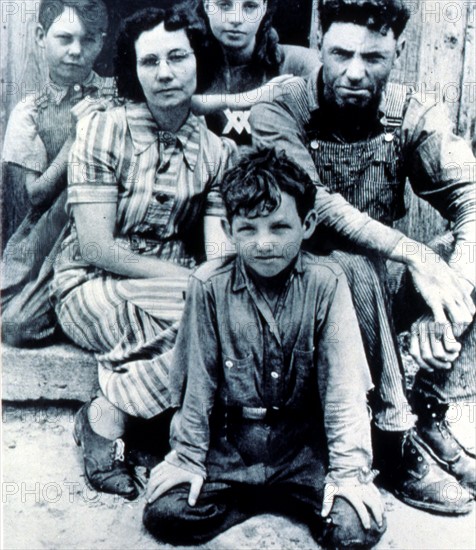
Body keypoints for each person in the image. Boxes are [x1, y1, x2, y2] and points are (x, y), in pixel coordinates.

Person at [250, 0, 476, 514]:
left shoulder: (414, 110)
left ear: (397, 53)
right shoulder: (279, 106)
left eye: (373, 57)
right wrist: (414, 253)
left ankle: (426, 409)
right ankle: (396, 446)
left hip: (373, 291)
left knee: (458, 259)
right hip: (293, 299)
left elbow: (471, 197)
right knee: (348, 267)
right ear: (319, 45)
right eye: (341, 53)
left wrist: (449, 307)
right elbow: (316, 204)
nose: (355, 71)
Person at [142, 148, 387, 548]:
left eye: (279, 227)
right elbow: (196, 384)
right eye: (248, 229)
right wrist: (187, 458)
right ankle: (261, 497)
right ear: (228, 228)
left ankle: (279, 495)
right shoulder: (208, 285)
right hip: (232, 446)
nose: (264, 243)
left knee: (354, 529)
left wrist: (348, 475)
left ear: (307, 224)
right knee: (167, 512)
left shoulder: (327, 284)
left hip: (301, 448)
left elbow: (344, 389)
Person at [50, 7, 237, 500]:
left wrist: (210, 284)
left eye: (178, 57)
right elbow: (96, 245)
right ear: (134, 70)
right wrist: (190, 282)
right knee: (183, 329)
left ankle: (114, 416)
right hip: (89, 279)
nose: (165, 72)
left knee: (215, 318)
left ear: (199, 61)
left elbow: (218, 250)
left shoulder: (217, 152)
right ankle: (117, 425)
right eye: (149, 61)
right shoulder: (103, 130)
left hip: (173, 279)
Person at [1, 0, 114, 346]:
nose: (76, 50)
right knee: (14, 322)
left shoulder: (117, 93)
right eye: (65, 38)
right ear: (40, 35)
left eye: (89, 39)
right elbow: (35, 195)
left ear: (101, 41)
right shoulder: (30, 111)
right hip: (51, 230)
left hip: (108, 224)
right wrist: (75, 138)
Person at [191, 0, 319, 145]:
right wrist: (250, 98)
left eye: (250, 6)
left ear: (263, 8)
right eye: (224, 5)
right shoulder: (185, 64)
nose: (236, 18)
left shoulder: (298, 63)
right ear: (207, 5)